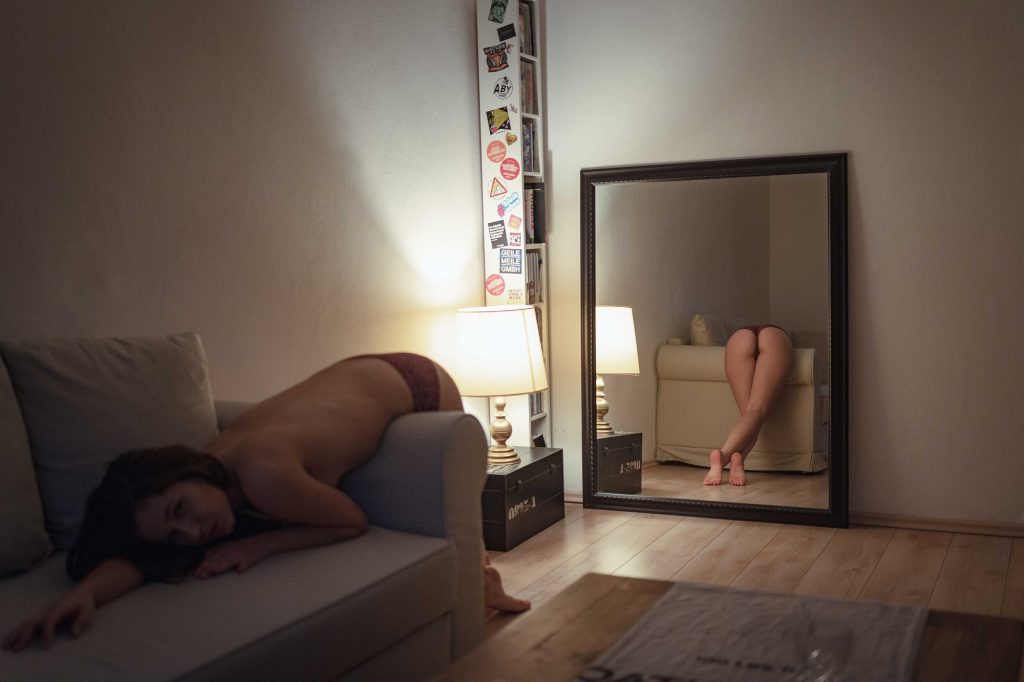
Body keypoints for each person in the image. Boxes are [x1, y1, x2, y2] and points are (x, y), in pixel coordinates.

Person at [2, 353, 529, 652]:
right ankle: (487, 582)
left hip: (414, 380)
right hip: (353, 377)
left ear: (185, 474)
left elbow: (352, 522)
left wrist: (260, 547)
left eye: (181, 511)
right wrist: (86, 594)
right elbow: (140, 556)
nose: (192, 532)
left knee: (461, 500)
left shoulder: (260, 474)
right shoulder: (204, 482)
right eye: (174, 535)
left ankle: (488, 581)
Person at [703, 326, 795, 487]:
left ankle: (738, 461)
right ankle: (723, 456)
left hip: (740, 336)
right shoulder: (779, 334)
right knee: (755, 411)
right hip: (775, 335)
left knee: (749, 415)